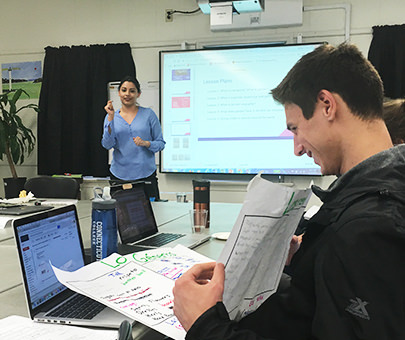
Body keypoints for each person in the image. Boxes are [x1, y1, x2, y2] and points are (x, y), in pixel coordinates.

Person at [172, 43, 405, 339]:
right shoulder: (377, 190)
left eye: (295, 128)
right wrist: (309, 259)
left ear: (327, 105)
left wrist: (205, 326)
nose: (296, 149)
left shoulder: (369, 229)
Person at [102, 76, 165, 199]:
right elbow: (107, 144)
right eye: (124, 90)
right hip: (119, 176)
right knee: (121, 216)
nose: (127, 94)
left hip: (145, 175)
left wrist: (146, 143)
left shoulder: (148, 114)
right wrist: (110, 118)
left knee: (150, 215)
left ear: (138, 94)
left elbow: (160, 143)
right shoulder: (111, 117)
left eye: (132, 91)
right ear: (119, 93)